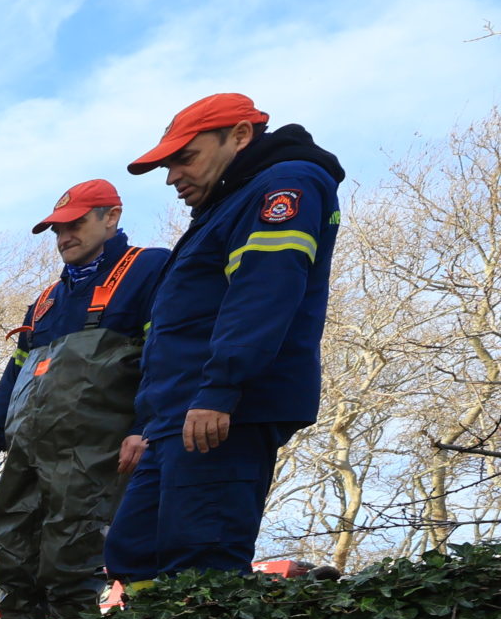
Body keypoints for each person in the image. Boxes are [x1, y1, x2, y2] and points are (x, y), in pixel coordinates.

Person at [104, 94, 343, 578]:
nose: (172, 177)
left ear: (238, 136)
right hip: (179, 412)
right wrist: (146, 422)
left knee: (200, 560)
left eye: (185, 158)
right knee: (135, 552)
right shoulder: (227, 203)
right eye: (168, 165)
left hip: (224, 410)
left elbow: (264, 290)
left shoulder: (284, 185)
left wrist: (221, 388)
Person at [0, 179, 169, 619]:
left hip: (94, 450)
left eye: (75, 224)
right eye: (57, 229)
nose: (64, 237)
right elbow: (12, 380)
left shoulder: (148, 268)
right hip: (27, 451)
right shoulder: (46, 301)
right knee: (11, 556)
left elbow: (165, 354)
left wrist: (146, 425)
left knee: (73, 559)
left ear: (111, 216)